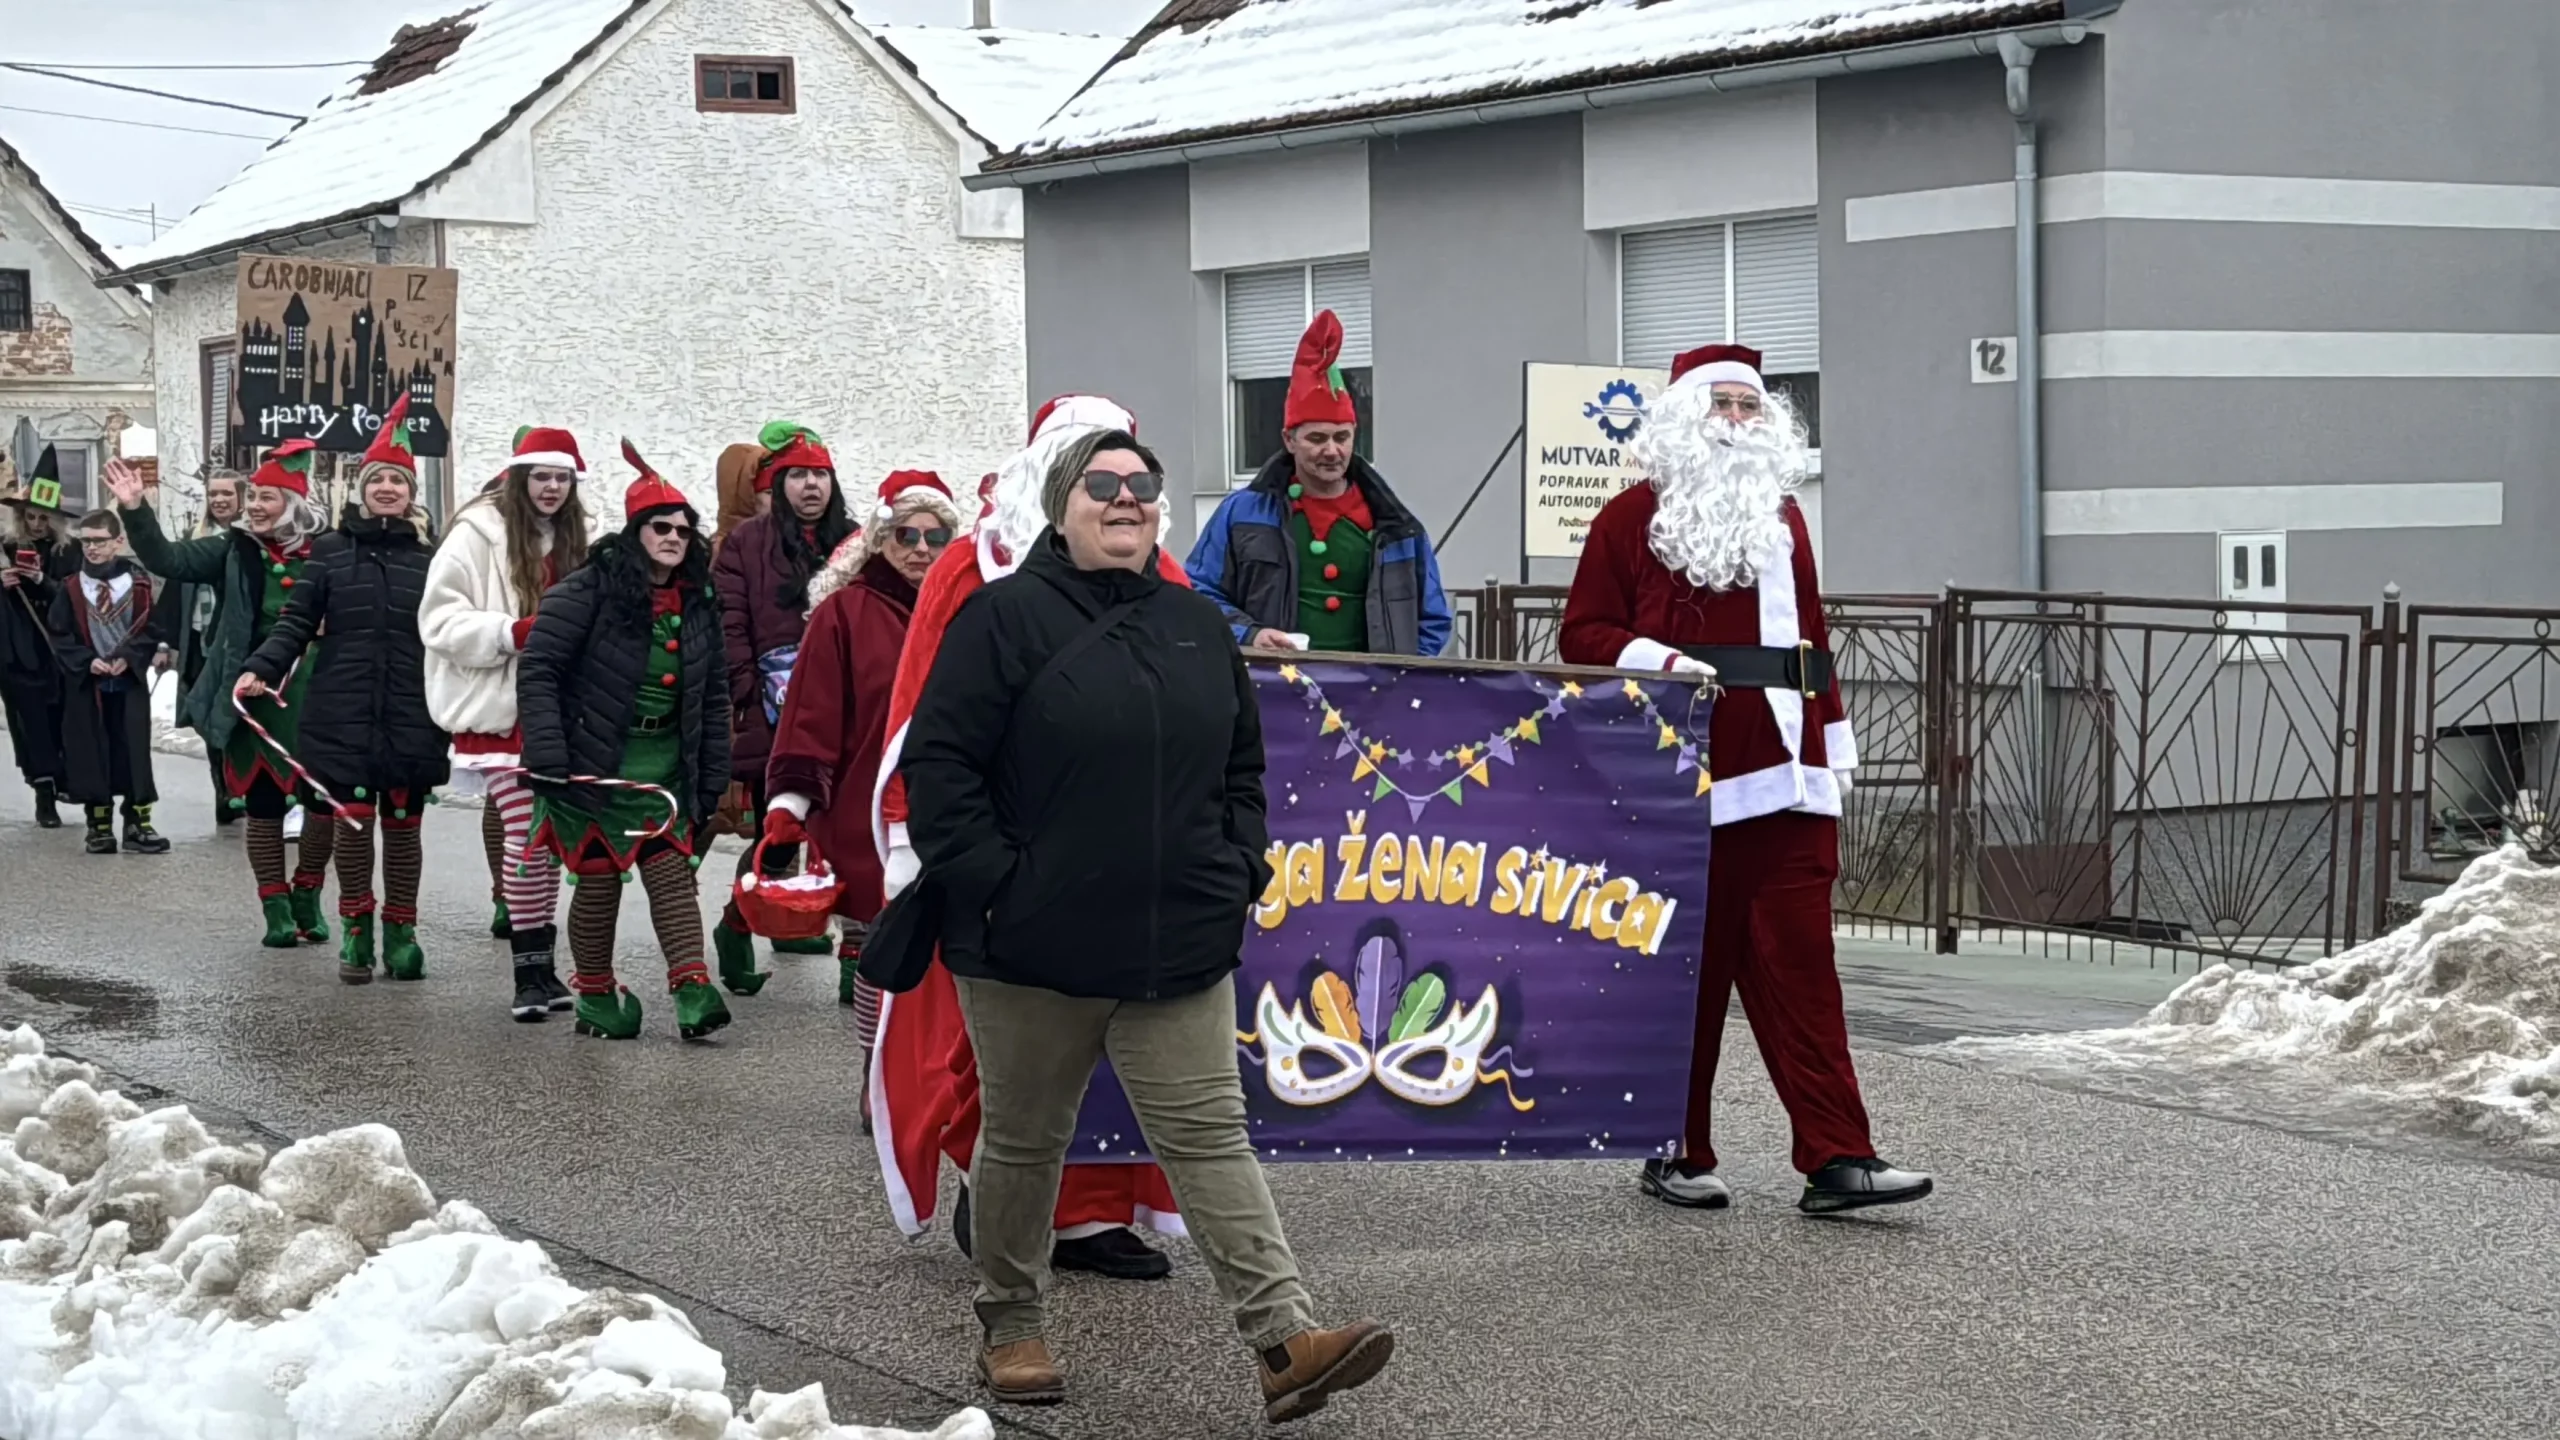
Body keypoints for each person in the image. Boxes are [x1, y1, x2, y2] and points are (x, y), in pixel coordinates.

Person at [904, 426, 1392, 1419]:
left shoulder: (1194, 624)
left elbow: (1240, 768)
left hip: (1176, 937)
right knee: (1025, 1140)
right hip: (1028, 946)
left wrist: (1236, 867)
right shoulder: (1001, 619)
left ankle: (1284, 1342)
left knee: (1209, 1137)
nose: (1124, 497)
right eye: (1101, 483)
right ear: (1062, 506)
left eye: (1141, 482)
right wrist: (1002, 885)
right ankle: (1011, 1326)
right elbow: (942, 768)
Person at [1557, 342, 1932, 1215]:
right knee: (1689, 971)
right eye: (1719, 404)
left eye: (1748, 406)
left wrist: (1833, 743)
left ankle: (1838, 1156)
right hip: (1687, 778)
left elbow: (1810, 640)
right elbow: (1585, 634)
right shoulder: (1629, 519)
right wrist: (1662, 661)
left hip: (1792, 775)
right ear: (1683, 418)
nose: (1734, 420)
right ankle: (1674, 1149)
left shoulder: (1785, 517)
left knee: (1805, 971)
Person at [871, 395, 1187, 1281]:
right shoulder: (967, 571)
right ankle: (1000, 1190)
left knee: (1118, 1040)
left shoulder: (1163, 573)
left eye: (1126, 475)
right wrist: (918, 836)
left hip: (1124, 849)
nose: (1113, 494)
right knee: (1002, 1040)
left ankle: (1090, 1213)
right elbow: (923, 713)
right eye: (1087, 471)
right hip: (1005, 848)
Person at [518, 444, 732, 1042]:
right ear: (636, 531)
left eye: (683, 531)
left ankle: (693, 990)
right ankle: (594, 995)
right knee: (598, 879)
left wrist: (714, 773)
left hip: (664, 765)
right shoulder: (585, 590)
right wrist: (548, 755)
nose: (673, 538)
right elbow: (539, 672)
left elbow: (714, 693)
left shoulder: (699, 601)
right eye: (661, 527)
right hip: (590, 763)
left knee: (671, 872)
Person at [236, 400, 449, 984]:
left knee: (402, 826)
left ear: (410, 494)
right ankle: (357, 930)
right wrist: (262, 666)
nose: (387, 489)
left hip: (410, 706)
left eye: (397, 482)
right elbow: (296, 621)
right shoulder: (330, 552)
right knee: (352, 822)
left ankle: (401, 934)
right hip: (340, 706)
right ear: (361, 490)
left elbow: (449, 632)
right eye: (377, 480)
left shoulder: (432, 559)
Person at [762, 471, 958, 1101]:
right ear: (880, 539)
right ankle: (878, 1078)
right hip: (865, 809)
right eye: (907, 535)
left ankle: (937, 1079)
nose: (921, 549)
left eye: (936, 536)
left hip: (954, 804)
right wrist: (791, 802)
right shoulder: (843, 613)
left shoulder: (968, 611)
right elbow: (812, 712)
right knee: (881, 945)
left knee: (948, 952)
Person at [111, 447, 339, 948]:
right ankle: (275, 906)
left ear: (294, 505)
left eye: (266, 497)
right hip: (251, 692)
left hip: (318, 694)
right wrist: (135, 508)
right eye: (251, 496)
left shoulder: (329, 550)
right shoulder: (232, 549)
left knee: (322, 805)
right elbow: (167, 559)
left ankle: (307, 893)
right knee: (263, 805)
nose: (253, 505)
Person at [421, 424, 590, 1018]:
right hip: (499, 709)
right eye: (542, 476)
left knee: (548, 841)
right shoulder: (477, 533)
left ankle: (544, 970)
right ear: (520, 478)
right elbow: (438, 620)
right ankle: (526, 975)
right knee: (524, 835)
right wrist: (509, 633)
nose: (552, 488)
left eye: (562, 478)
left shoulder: (577, 536)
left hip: (560, 710)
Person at [1188, 310, 1451, 657]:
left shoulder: (1397, 526)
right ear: (1289, 440)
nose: (1331, 450)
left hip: (1371, 689)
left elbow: (1433, 620)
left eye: (1341, 437)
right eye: (1317, 438)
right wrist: (1250, 635)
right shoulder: (1240, 514)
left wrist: (1401, 678)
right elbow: (1196, 591)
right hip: (1273, 684)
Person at [711, 421, 859, 993]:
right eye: (797, 476)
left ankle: (856, 961)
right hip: (774, 709)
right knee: (784, 830)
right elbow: (729, 620)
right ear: (779, 484)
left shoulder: (855, 540)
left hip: (847, 705)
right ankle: (737, 923)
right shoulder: (748, 542)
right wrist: (747, 690)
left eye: (820, 475)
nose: (811, 486)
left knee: (850, 833)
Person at [47, 508, 168, 855]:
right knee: (92, 751)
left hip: (128, 682)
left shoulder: (139, 585)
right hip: (90, 684)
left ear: (118, 541)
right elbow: (59, 634)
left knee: (133, 752)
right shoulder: (72, 588)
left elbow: (152, 629)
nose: (92, 548)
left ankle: (137, 823)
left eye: (99, 541)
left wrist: (129, 657)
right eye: (86, 541)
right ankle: (98, 826)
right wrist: (87, 661)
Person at [1, 449, 76, 828]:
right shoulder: (6, 548)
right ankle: (43, 793)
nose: (35, 524)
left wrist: (40, 580)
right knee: (30, 723)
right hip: (17, 650)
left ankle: (65, 778)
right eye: (29, 516)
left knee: (62, 718)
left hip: (60, 649)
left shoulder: (70, 552)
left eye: (43, 517)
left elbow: (75, 597)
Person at [179, 469, 247, 826]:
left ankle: (242, 787)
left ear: (241, 497)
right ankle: (223, 790)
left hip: (235, 643)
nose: (219, 500)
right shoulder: (196, 537)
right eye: (213, 494)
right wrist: (167, 642)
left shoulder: (250, 539)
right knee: (206, 716)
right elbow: (177, 590)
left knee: (237, 717)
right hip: (200, 641)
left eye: (226, 493)